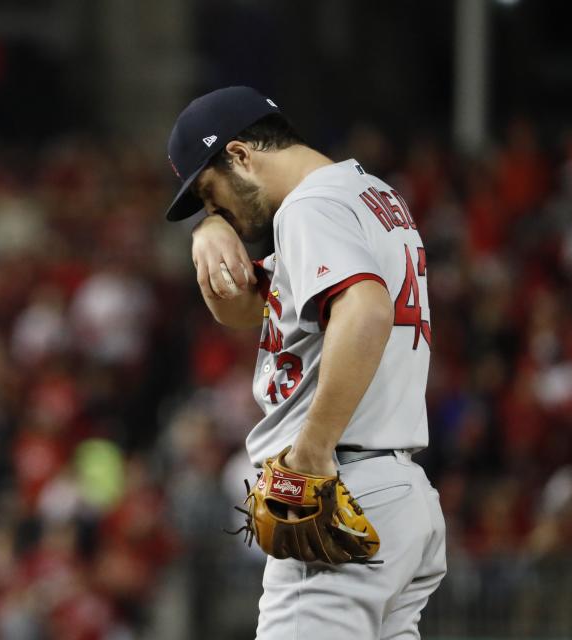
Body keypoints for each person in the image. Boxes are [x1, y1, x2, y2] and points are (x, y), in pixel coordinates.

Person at [163, 86, 446, 639]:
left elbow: (365, 312)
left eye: (211, 193)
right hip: (400, 494)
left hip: (342, 483)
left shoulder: (309, 206)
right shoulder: (367, 192)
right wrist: (210, 229)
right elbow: (250, 310)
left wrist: (313, 448)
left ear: (242, 155)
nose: (217, 208)